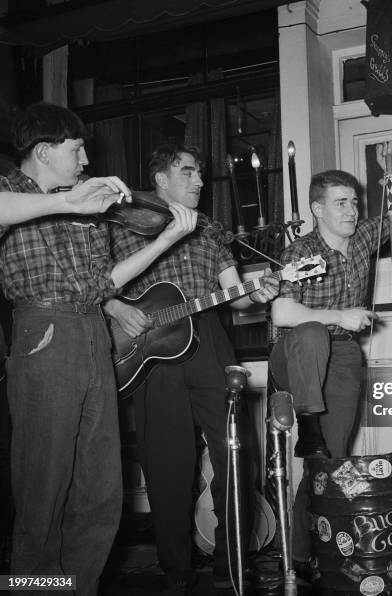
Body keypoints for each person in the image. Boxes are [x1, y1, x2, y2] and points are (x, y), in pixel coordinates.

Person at [0, 102, 198, 596]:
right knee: (44, 486)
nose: (87, 160)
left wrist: (167, 239)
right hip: (43, 329)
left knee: (101, 487)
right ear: (44, 152)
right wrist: (72, 203)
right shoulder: (18, 194)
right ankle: (34, 590)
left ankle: (73, 589)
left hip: (92, 329)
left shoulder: (84, 205)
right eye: (77, 149)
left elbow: (102, 283)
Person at [105, 143, 279, 595]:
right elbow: (97, 282)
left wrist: (258, 292)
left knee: (236, 451)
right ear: (161, 179)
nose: (200, 181)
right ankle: (176, 568)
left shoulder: (210, 229)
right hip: (151, 347)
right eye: (188, 172)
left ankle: (231, 560)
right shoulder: (122, 222)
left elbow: (234, 293)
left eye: (200, 173)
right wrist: (116, 308)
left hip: (209, 338)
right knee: (168, 464)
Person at [269, 142, 392, 578]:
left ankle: (304, 555)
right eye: (340, 203)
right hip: (297, 355)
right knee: (313, 331)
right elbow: (282, 313)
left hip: (344, 357)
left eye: (354, 202)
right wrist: (340, 316)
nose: (351, 211)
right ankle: (308, 422)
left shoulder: (363, 238)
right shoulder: (301, 251)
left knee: (326, 463)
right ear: (317, 209)